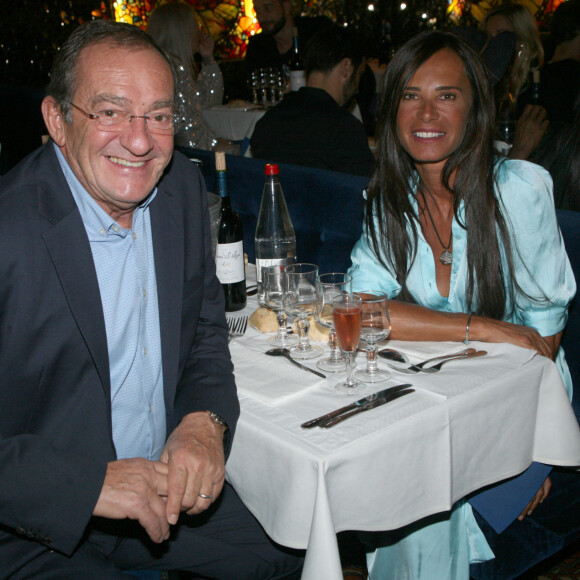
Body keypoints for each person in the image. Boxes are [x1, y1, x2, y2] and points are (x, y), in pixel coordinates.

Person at [0, 20, 303, 578]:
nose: (140, 141)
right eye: (110, 112)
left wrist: (202, 422)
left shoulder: (180, 194)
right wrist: (90, 485)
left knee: (292, 553)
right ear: (57, 120)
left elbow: (205, 336)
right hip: (27, 526)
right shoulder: (10, 229)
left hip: (156, 490)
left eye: (159, 116)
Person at [347, 30, 575, 579]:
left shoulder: (517, 191)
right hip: (438, 401)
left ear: (475, 108)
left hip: (522, 407)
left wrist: (525, 459)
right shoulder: (389, 203)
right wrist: (482, 327)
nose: (426, 112)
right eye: (410, 95)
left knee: (422, 508)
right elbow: (359, 312)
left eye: (446, 95)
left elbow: (543, 345)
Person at [250, 25, 375, 177]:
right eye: (359, 74)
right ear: (346, 68)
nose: (357, 88)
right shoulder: (345, 130)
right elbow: (363, 193)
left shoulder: (267, 123)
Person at [147, 1, 223, 151]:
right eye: (196, 28)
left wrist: (208, 61)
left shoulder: (168, 65)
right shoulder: (173, 69)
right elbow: (190, 133)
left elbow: (205, 103)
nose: (200, 34)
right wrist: (217, 146)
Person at [483, 3, 549, 160]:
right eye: (487, 38)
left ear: (524, 40)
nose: (495, 45)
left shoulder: (544, 89)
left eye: (502, 36)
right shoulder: (485, 92)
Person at [245, 0, 330, 74]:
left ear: (286, 6)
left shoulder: (315, 34)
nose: (262, 17)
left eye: (268, 8)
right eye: (258, 11)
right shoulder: (257, 47)